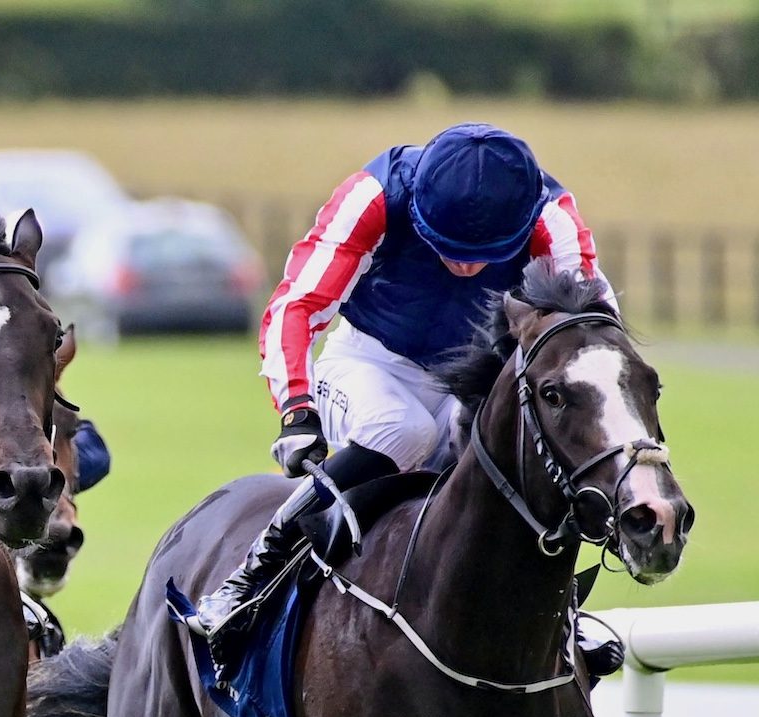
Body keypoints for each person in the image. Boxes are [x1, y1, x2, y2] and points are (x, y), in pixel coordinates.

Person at [180, 122, 618, 663]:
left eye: (485, 252)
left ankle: (559, 609)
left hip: (476, 372)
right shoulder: (374, 196)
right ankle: (254, 573)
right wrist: (296, 409)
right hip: (369, 361)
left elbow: (595, 337)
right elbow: (296, 306)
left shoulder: (552, 217)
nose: (466, 266)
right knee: (405, 430)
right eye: (448, 246)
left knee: (515, 442)